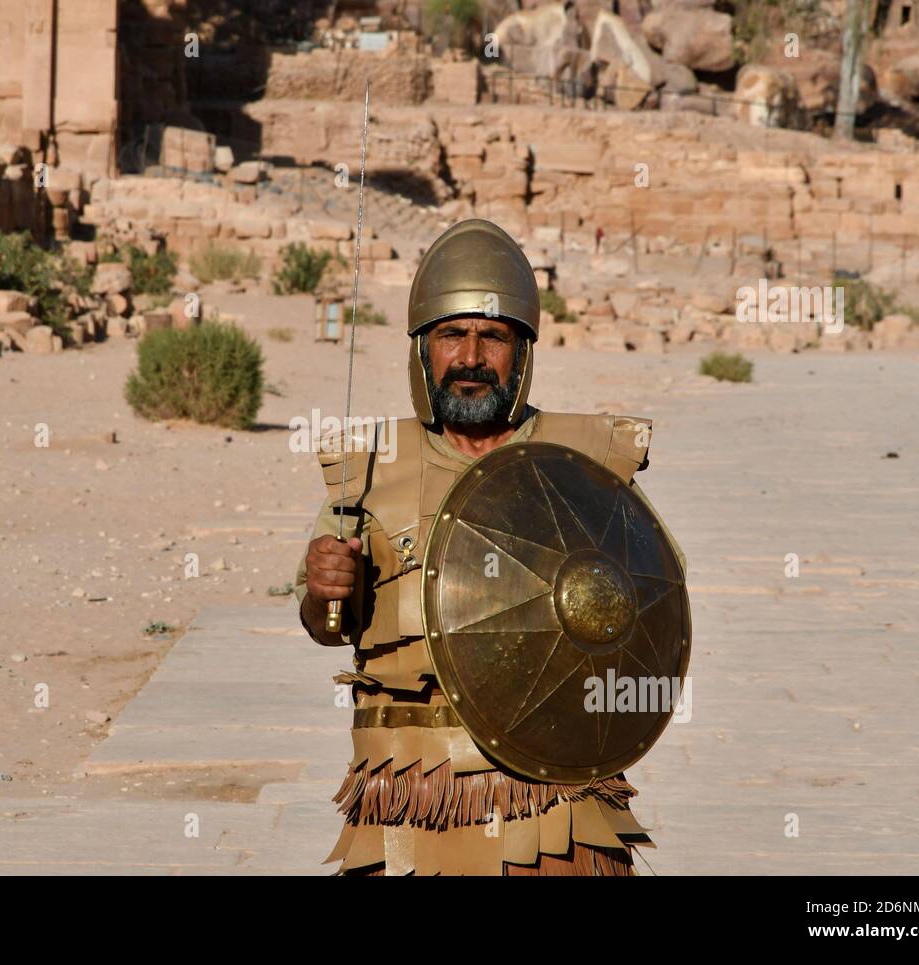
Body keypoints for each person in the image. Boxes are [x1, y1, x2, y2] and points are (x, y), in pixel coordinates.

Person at [293, 219, 685, 875]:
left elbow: (651, 606)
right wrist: (324, 591)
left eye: (493, 337)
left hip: (555, 804)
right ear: (423, 349)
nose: (471, 356)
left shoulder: (583, 465)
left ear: (522, 351)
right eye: (452, 335)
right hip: (407, 796)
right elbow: (326, 628)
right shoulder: (370, 465)